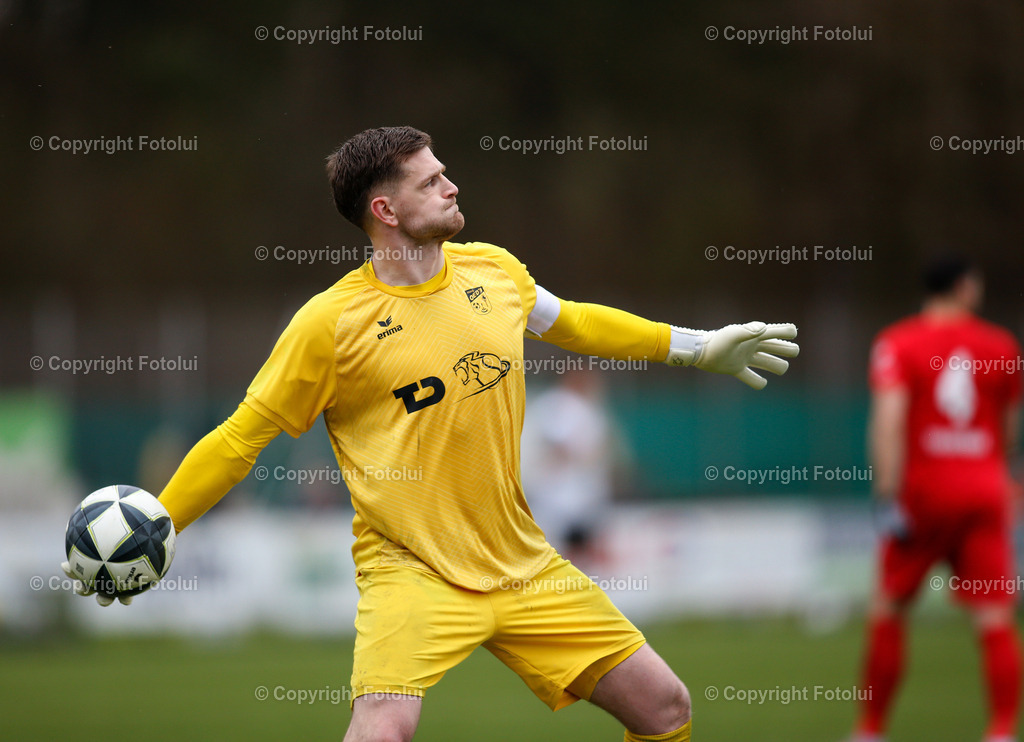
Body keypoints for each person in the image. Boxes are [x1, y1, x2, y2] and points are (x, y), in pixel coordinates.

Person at [62, 126, 799, 741]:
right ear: (385, 208)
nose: (451, 187)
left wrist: (696, 346)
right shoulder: (330, 324)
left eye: (446, 173)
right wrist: (163, 517)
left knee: (665, 708)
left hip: (521, 558)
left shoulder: (495, 271)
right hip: (409, 568)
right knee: (383, 731)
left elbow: (573, 320)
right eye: (430, 181)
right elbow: (240, 436)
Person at [850, 256, 1022, 742]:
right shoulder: (1000, 346)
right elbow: (1009, 431)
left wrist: (886, 492)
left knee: (888, 611)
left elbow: (889, 419)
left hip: (924, 495)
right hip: (985, 492)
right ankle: (1002, 731)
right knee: (994, 619)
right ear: (966, 288)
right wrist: (990, 470)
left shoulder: (899, 342)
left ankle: (869, 730)